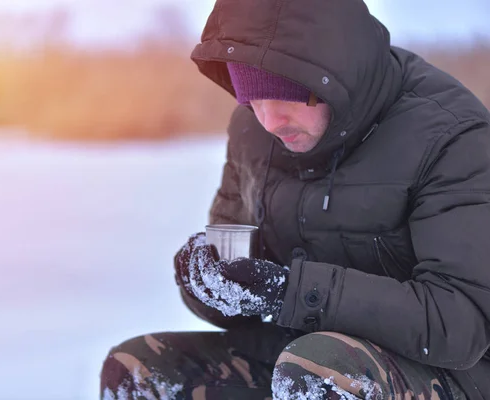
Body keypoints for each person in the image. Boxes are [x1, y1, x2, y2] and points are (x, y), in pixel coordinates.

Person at [100, 0, 490, 398]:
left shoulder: (451, 136)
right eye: (251, 97)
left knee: (318, 370)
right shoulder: (253, 132)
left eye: (284, 94)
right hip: (300, 355)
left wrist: (291, 292)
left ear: (335, 79)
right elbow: (244, 278)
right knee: (138, 368)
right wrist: (208, 283)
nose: (269, 121)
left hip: (448, 373)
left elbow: (462, 322)